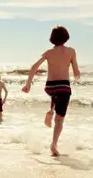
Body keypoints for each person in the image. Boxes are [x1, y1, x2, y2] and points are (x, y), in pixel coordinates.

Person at [22, 26, 80, 156]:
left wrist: (28, 85)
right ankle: (53, 145)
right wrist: (77, 76)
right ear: (66, 37)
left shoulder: (48, 52)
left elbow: (33, 67)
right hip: (63, 87)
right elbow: (76, 73)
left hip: (50, 87)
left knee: (56, 94)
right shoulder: (71, 51)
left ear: (52, 38)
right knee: (60, 119)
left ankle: (52, 108)